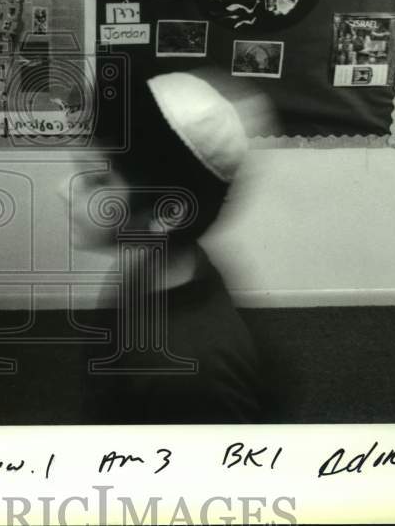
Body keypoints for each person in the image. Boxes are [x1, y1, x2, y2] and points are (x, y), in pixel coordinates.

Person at [72, 69, 273, 424]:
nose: (65, 190)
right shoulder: (150, 267)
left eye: (95, 180)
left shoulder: (187, 369)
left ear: (168, 212)